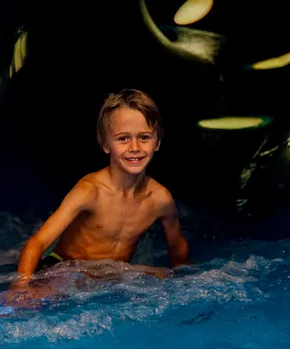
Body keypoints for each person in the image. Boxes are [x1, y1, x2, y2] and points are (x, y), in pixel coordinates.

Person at [8, 88, 189, 302]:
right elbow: (36, 244)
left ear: (157, 142)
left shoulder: (160, 199)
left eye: (144, 137)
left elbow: (179, 256)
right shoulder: (90, 191)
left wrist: (186, 288)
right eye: (123, 138)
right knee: (22, 303)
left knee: (167, 277)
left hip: (113, 274)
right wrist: (20, 289)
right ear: (105, 144)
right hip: (67, 269)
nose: (135, 147)